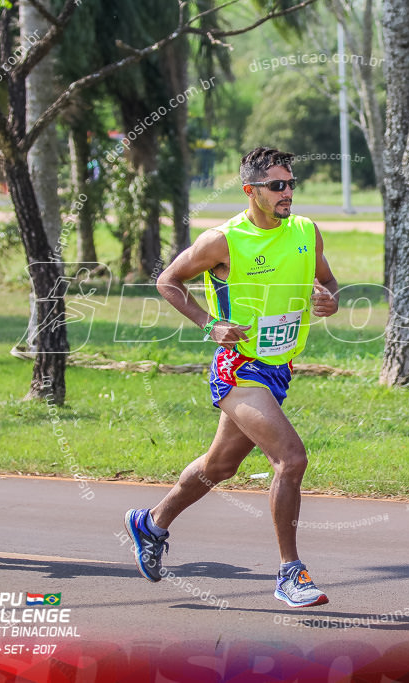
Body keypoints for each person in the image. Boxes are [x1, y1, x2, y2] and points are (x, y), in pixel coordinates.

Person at [124, 147, 339, 608]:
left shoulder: (306, 232)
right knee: (291, 459)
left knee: (219, 466)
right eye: (277, 186)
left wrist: (330, 299)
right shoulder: (223, 240)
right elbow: (168, 281)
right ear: (251, 191)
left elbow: (329, 282)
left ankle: (152, 522)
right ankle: (289, 572)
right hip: (238, 367)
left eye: (291, 184)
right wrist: (208, 323)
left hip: (278, 368)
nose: (287, 193)